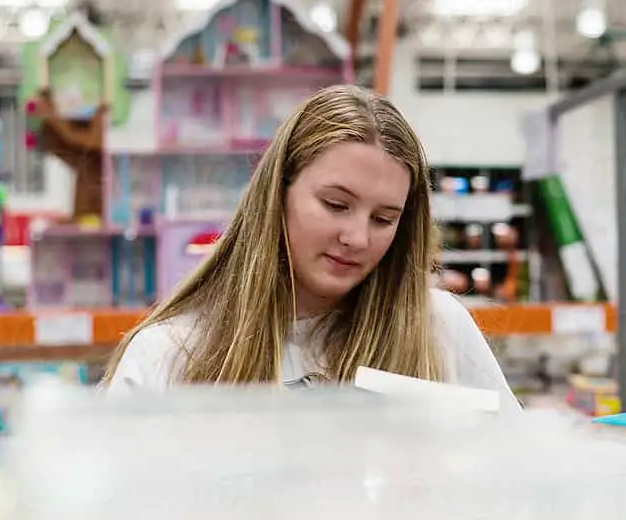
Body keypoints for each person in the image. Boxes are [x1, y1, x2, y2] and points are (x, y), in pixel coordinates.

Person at [102, 84, 521, 412]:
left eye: (383, 219)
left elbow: (514, 480)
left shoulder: (438, 328)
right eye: (335, 205)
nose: (357, 238)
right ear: (277, 193)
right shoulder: (169, 353)